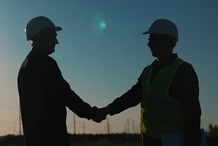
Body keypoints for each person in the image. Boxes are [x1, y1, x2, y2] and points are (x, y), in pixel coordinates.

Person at [99, 19, 201, 146]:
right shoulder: (148, 71)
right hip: (148, 140)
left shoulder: (184, 71)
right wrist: (109, 109)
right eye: (149, 39)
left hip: (171, 142)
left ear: (168, 40)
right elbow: (132, 96)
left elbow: (192, 116)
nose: (149, 44)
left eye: (153, 39)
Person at [17, 16, 104, 146]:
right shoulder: (45, 63)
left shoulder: (25, 65)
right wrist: (93, 113)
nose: (57, 41)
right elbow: (66, 95)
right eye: (54, 35)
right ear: (43, 35)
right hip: (51, 140)